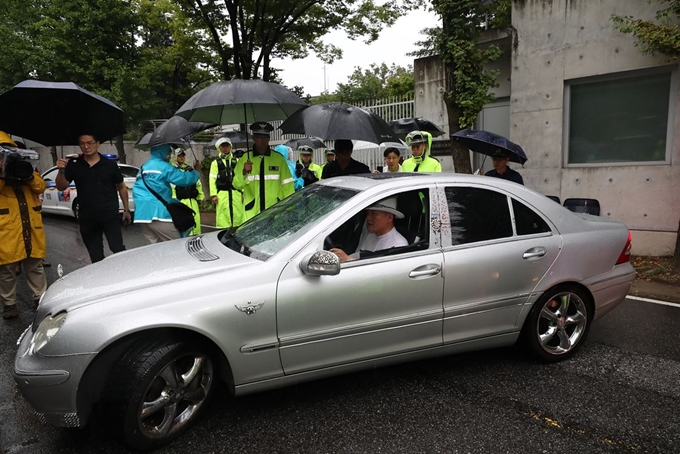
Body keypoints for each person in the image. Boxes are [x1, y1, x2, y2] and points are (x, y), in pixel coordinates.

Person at [55, 133, 132, 263]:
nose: (86, 146)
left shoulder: (109, 165)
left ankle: (124, 277)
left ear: (97, 143)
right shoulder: (74, 165)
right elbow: (61, 186)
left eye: (89, 143)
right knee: (95, 255)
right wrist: (61, 170)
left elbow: (121, 187)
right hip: (87, 217)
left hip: (109, 214)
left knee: (117, 249)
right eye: (82, 143)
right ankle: (101, 281)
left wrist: (126, 209)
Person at [0, 141, 48, 318]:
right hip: (8, 229)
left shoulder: (27, 167)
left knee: (35, 265)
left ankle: (40, 298)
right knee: (7, 269)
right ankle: (9, 304)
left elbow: (40, 187)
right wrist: (3, 172)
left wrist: (28, 174)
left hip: (30, 226)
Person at [132, 143, 201, 243]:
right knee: (176, 245)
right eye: (169, 152)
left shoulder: (143, 168)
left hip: (142, 215)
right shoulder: (163, 166)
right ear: (163, 152)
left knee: (156, 249)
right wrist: (196, 172)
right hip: (158, 213)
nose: (170, 155)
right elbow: (184, 179)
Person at [232, 122, 295, 220]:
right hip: (251, 212)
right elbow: (236, 185)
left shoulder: (278, 159)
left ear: (269, 139)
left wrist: (289, 208)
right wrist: (244, 172)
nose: (263, 140)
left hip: (274, 212)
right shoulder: (245, 158)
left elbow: (288, 185)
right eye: (259, 137)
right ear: (253, 138)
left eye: (265, 137)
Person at [330, 196, 408, 262]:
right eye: (368, 213)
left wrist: (348, 260)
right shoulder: (369, 234)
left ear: (389, 218)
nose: (368, 218)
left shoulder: (398, 245)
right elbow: (358, 256)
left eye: (374, 213)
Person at [209, 137, 245, 228]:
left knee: (238, 215)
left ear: (230, 147)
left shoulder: (237, 161)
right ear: (219, 148)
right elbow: (212, 179)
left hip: (236, 193)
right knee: (223, 217)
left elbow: (241, 178)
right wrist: (213, 194)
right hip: (222, 194)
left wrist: (243, 191)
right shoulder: (215, 163)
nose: (225, 148)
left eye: (227, 146)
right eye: (223, 146)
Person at [172, 148, 204, 236]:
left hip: (193, 201)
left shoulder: (190, 170)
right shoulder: (174, 171)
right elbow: (172, 188)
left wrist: (200, 197)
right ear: (175, 157)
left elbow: (198, 184)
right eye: (179, 156)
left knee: (196, 223)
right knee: (185, 225)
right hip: (182, 202)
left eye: (183, 156)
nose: (181, 158)